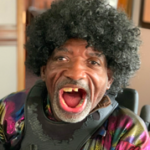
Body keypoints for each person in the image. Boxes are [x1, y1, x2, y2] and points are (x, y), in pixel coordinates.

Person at [0, 0, 150, 149]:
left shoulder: (128, 134)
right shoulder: (9, 111)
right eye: (62, 58)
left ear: (109, 78)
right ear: (44, 71)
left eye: (93, 62)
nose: (75, 74)